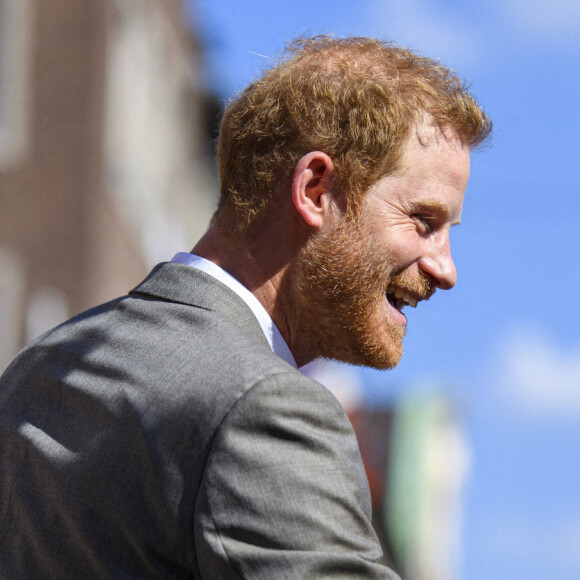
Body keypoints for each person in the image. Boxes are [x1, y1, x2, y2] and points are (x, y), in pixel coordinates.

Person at [0, 36, 491, 579]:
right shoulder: (267, 409)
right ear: (315, 190)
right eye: (424, 222)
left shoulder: (34, 370)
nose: (446, 269)